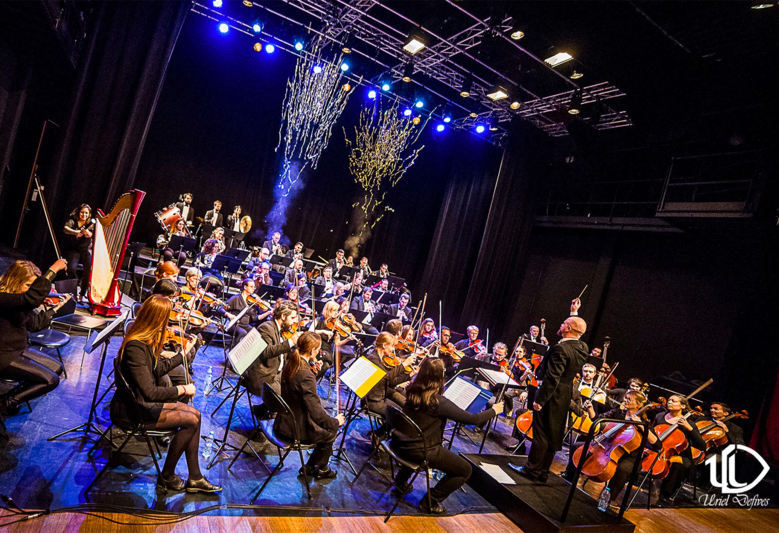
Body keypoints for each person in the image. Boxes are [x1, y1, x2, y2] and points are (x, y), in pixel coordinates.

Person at [109, 295, 220, 493]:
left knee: (196, 416)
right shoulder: (135, 347)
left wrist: (182, 354)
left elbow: (157, 370)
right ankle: (167, 476)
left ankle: (195, 477)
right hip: (133, 411)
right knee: (191, 421)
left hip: (141, 402)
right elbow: (150, 392)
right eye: (165, 320)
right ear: (156, 319)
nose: (168, 325)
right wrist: (183, 389)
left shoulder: (143, 341)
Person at [392, 358, 502, 514]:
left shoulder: (412, 390)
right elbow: (473, 419)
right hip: (420, 451)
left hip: (399, 442)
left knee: (418, 439)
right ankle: (430, 501)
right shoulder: (438, 402)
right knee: (465, 470)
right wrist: (494, 410)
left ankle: (400, 482)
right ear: (440, 377)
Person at [517, 315, 589, 483]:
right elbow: (576, 332)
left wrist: (540, 400)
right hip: (565, 395)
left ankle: (531, 469)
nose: (561, 324)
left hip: (551, 394)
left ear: (568, 328)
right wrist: (574, 312)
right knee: (553, 433)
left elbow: (552, 377)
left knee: (541, 433)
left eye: (564, 323)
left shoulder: (560, 349)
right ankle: (543, 472)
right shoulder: (582, 347)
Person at [562, 390, 658, 506]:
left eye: (629, 399)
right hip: (607, 447)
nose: (625, 400)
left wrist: (641, 426)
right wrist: (590, 408)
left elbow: (657, 445)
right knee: (577, 446)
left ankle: (609, 498)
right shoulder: (618, 413)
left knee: (622, 469)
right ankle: (569, 478)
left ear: (639, 405)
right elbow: (597, 419)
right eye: (625, 398)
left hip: (629, 456)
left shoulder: (644, 423)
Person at [0, 259, 69, 415]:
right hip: (4, 355)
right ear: (15, 281)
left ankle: (9, 398)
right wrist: (52, 270)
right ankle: (5, 403)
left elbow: (34, 325)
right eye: (28, 285)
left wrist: (55, 309)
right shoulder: (4, 298)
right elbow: (30, 299)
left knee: (57, 368)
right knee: (50, 380)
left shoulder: (19, 300)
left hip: (17, 350)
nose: (30, 290)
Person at [275, 332, 345, 480]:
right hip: (295, 428)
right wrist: (335, 422)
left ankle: (314, 468)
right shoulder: (305, 374)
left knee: (327, 427)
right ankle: (318, 468)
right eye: (318, 349)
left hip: (282, 421)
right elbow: (316, 413)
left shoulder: (291, 362)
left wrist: (312, 373)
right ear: (312, 351)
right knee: (331, 432)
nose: (319, 352)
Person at [245, 301, 302, 418]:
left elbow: (284, 355)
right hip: (264, 375)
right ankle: (272, 421)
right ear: (283, 316)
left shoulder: (284, 330)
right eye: (292, 318)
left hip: (278, 373)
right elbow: (267, 352)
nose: (294, 321)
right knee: (287, 402)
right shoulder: (266, 328)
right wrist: (291, 342)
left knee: (299, 389)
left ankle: (262, 410)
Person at [652, 395, 706, 506]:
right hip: (657, 449)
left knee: (680, 466)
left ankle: (665, 495)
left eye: (673, 401)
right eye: (669, 400)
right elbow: (652, 433)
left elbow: (701, 445)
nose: (669, 402)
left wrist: (689, 428)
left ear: (683, 406)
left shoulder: (689, 423)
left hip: (678, 454)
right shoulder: (660, 416)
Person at [363, 332, 415, 437]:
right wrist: (404, 364)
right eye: (391, 346)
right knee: (399, 415)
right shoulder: (373, 359)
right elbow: (388, 377)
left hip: (381, 395)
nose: (393, 349)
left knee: (404, 409)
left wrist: (410, 375)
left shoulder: (380, 358)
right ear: (384, 345)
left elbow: (391, 382)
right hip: (372, 400)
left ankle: (379, 434)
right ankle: (379, 435)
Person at [62, 203, 94, 300]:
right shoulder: (72, 221)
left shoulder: (90, 223)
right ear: (78, 212)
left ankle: (82, 293)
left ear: (89, 214)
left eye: (86, 213)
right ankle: (68, 290)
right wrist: (75, 232)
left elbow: (91, 234)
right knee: (72, 268)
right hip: (74, 249)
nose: (84, 215)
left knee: (89, 269)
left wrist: (88, 234)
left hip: (85, 250)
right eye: (82, 212)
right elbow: (65, 229)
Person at [222, 279, 262, 344]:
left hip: (245, 325)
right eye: (251, 287)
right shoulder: (236, 298)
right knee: (242, 333)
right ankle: (234, 349)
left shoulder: (251, 301)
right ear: (245, 287)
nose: (253, 289)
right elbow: (221, 308)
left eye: (254, 287)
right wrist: (228, 314)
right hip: (234, 325)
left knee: (255, 334)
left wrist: (267, 313)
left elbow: (254, 318)